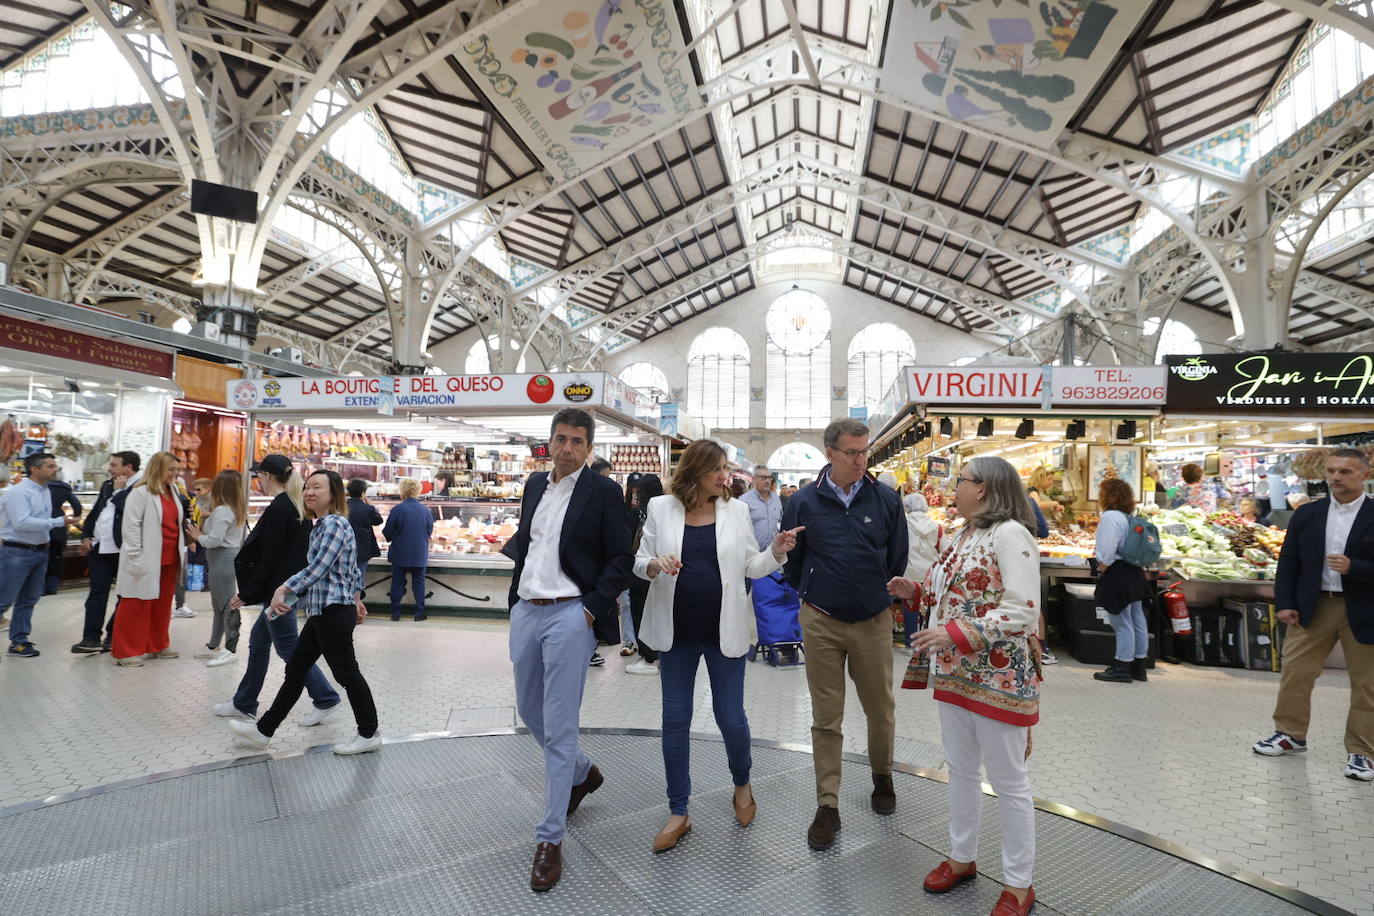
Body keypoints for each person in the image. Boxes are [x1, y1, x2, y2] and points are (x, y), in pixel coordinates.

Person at [887, 455, 1041, 916]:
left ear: (986, 489)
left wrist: (954, 633)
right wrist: (915, 593)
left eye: (962, 480)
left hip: (999, 676)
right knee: (961, 770)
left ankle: (1019, 883)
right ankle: (962, 856)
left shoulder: (1012, 534)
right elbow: (955, 593)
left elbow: (1023, 609)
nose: (954, 487)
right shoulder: (961, 534)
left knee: (1010, 782)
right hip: (955, 673)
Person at [635, 439, 803, 852]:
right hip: (675, 635)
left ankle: (742, 785)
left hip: (723, 631)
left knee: (731, 716)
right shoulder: (661, 507)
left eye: (725, 469)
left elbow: (751, 565)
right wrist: (655, 565)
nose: (724, 476)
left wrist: (776, 553)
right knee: (675, 719)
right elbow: (640, 561)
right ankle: (679, 810)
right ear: (696, 470)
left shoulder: (736, 510)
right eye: (717, 469)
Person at [506, 407, 630, 892]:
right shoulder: (535, 485)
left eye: (578, 441)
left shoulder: (602, 492)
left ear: (589, 447)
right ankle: (582, 772)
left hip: (569, 613)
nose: (568, 448)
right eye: (561, 439)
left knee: (559, 724)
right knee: (527, 709)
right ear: (550, 440)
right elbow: (530, 543)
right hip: (527, 609)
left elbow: (621, 555)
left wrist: (590, 610)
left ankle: (550, 838)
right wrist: (516, 596)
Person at [781, 418, 908, 851]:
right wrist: (810, 591)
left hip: (873, 620)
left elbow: (897, 558)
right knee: (826, 715)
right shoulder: (803, 502)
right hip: (821, 620)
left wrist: (877, 593)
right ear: (829, 453)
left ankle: (882, 776)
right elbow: (793, 559)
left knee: (880, 708)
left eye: (865, 451)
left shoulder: (887, 500)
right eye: (852, 452)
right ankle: (828, 803)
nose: (861, 460)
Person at [228, 470, 380, 756]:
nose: (309, 492)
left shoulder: (334, 524)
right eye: (307, 487)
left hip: (333, 612)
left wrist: (282, 588)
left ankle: (369, 732)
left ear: (334, 493)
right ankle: (264, 730)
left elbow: (319, 568)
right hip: (323, 609)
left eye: (317, 488)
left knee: (346, 672)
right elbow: (347, 570)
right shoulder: (320, 525)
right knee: (296, 668)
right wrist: (357, 597)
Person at [1252, 448, 1374, 782]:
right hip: (1314, 605)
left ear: (1365, 474)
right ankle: (1290, 733)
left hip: (1363, 609)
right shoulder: (1309, 514)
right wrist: (1286, 602)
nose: (1336, 477)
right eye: (1332, 471)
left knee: (1367, 683)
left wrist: (1355, 568)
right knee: (1296, 670)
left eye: (1345, 471)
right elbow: (1289, 561)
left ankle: (1362, 752)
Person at [214, 455, 341, 727]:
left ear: (268, 476)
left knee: (288, 647)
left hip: (280, 593)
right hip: (288, 588)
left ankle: (325, 697)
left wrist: (247, 592)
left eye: (259, 475)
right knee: (259, 642)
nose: (258, 481)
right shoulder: (296, 506)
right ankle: (244, 702)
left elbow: (270, 557)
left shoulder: (281, 507)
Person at [110, 451, 185, 667]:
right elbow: (131, 526)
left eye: (177, 470)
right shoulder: (140, 492)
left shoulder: (172, 490)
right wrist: (136, 555)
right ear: (158, 468)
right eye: (171, 469)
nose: (175, 474)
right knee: (135, 604)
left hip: (169, 558)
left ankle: (158, 644)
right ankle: (125, 652)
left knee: (162, 604)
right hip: (146, 557)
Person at [0, 453, 72, 657]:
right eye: (49, 466)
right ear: (35, 469)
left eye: (54, 466)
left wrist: (47, 539)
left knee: (28, 600)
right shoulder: (19, 492)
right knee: (3, 600)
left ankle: (19, 642)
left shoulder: (45, 490)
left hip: (40, 551)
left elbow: (40, 518)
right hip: (16, 552)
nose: (54, 469)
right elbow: (21, 522)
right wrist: (57, 522)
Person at [72, 451, 140, 654]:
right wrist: (86, 534)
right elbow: (96, 511)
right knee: (96, 594)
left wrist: (118, 492)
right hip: (100, 548)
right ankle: (90, 638)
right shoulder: (109, 484)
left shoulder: (141, 486)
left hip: (124, 549)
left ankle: (114, 634)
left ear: (128, 467)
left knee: (125, 595)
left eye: (114, 465)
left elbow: (128, 511)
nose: (109, 468)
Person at [1091, 478, 1155, 684]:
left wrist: (1101, 567)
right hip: (1135, 573)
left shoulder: (1110, 517)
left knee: (1121, 621)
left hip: (1117, 573)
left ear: (1108, 496)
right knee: (1137, 619)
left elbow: (1107, 550)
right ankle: (1139, 666)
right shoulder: (1128, 517)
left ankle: (1121, 666)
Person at [187, 470, 248, 667]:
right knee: (219, 605)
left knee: (226, 605)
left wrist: (198, 537)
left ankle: (230, 648)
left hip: (222, 559)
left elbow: (214, 539)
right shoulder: (234, 507)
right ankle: (213, 645)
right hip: (224, 559)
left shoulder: (223, 510)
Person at [625, 474, 665, 675]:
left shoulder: (639, 513)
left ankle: (648, 656)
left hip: (641, 568)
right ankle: (657, 653)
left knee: (640, 612)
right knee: (657, 612)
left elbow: (630, 542)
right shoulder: (666, 511)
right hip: (661, 569)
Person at [382, 478, 434, 622]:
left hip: (400, 552)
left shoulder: (397, 509)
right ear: (418, 490)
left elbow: (388, 532)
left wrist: (391, 537)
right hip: (419, 553)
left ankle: (395, 613)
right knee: (419, 583)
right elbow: (429, 531)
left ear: (402, 490)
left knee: (397, 583)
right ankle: (419, 613)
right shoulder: (426, 510)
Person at [899, 492, 942, 648]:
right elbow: (945, 550)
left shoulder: (902, 525)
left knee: (910, 608)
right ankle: (927, 641)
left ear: (907, 507)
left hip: (909, 572)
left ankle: (910, 642)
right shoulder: (936, 527)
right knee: (928, 608)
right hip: (930, 575)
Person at [44, 470, 81, 594]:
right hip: (59, 522)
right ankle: (52, 587)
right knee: (56, 555)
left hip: (43, 520)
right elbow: (77, 505)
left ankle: (40, 587)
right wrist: (76, 516)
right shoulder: (64, 488)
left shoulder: (42, 487)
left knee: (43, 555)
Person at [346, 478, 382, 587]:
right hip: (363, 549)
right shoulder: (367, 508)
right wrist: (372, 506)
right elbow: (378, 521)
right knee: (359, 577)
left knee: (345, 577)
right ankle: (356, 600)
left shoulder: (342, 507)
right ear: (363, 493)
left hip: (345, 547)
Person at [170, 472, 197, 619]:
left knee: (181, 575)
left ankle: (180, 605)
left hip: (180, 543)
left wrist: (189, 539)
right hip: (168, 543)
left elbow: (185, 518)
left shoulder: (181, 494)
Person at [739, 465, 782, 553]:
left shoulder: (776, 499)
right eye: (763, 477)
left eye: (769, 478)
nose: (767, 481)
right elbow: (738, 529)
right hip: (751, 554)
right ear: (754, 479)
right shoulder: (744, 500)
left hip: (772, 553)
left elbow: (779, 521)